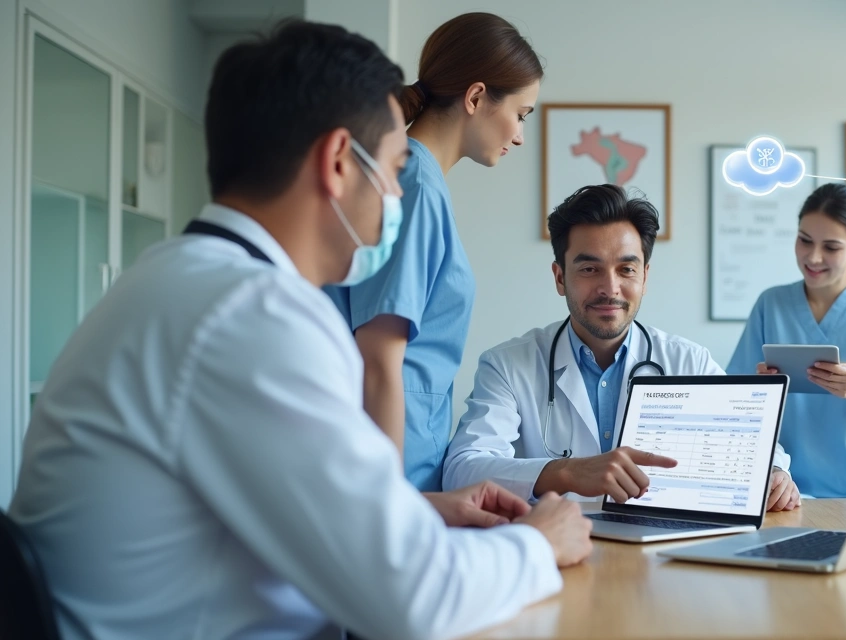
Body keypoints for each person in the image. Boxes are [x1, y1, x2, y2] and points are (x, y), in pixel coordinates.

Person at [8, 21, 590, 640]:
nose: (398, 192)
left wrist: (411, 510)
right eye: (394, 168)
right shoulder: (251, 317)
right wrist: (537, 542)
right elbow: (411, 598)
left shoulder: (174, 281)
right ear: (339, 162)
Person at [444, 184, 800, 511]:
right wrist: (567, 473)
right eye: (589, 269)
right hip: (551, 547)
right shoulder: (508, 364)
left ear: (645, 277)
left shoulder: (688, 360)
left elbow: (753, 448)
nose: (609, 288)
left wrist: (775, 474)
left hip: (661, 549)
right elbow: (463, 469)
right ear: (559, 277)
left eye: (626, 269)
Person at [324, 12, 543, 491]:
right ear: (477, 97)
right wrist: (386, 508)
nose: (520, 135)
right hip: (389, 473)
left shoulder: (416, 179)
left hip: (407, 463)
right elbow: (379, 358)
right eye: (521, 115)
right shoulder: (415, 184)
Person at [727, 183, 846, 498]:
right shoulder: (771, 304)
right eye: (804, 241)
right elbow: (737, 402)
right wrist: (759, 390)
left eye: (831, 247)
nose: (813, 257)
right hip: (781, 490)